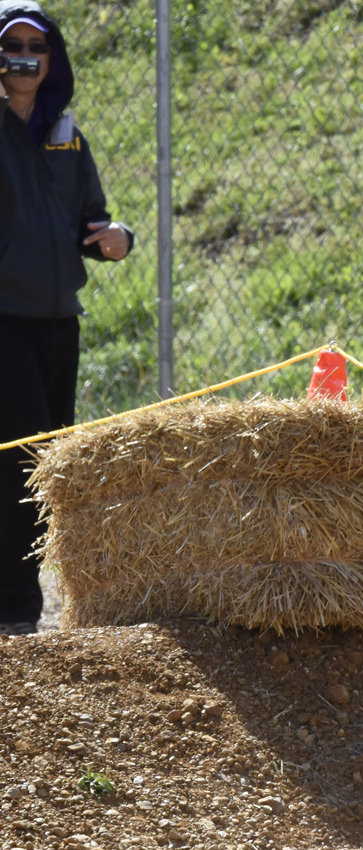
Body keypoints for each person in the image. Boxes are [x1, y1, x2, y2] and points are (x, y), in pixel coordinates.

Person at [0, 1, 131, 633]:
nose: (24, 55)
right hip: (5, 319)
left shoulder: (67, 133)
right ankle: (17, 609)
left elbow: (94, 219)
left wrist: (119, 237)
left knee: (46, 458)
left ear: (53, 59)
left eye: (36, 45)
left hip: (58, 319)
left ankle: (24, 603)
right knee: (17, 457)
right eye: (11, 44)